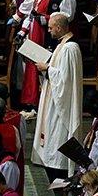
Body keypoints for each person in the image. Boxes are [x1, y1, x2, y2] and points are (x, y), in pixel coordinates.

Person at [32, 12, 83, 181]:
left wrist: (47, 69)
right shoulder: (63, 45)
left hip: (61, 102)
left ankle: (58, 169)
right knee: (51, 131)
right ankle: (50, 165)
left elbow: (65, 79)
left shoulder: (70, 48)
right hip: (53, 97)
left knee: (57, 131)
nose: (49, 31)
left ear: (60, 28)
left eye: (51, 27)